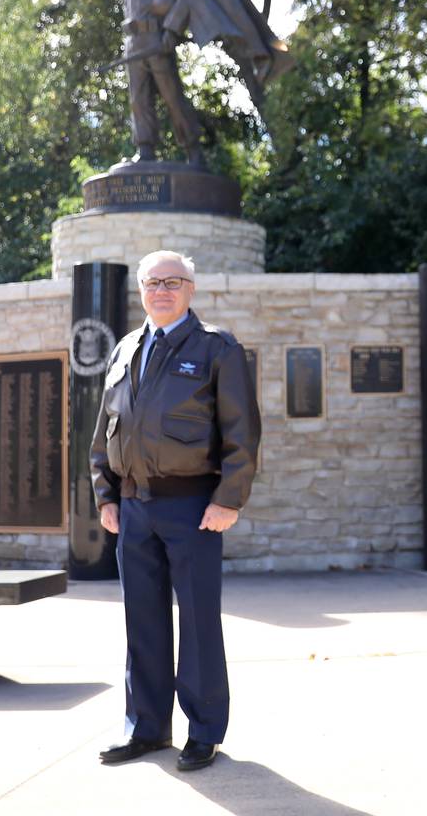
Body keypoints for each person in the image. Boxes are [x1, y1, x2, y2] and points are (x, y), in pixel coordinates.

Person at [90, 250, 260, 771]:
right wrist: (105, 494)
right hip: (135, 507)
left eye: (172, 281)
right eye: (152, 282)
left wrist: (228, 499)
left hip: (194, 506)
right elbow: (105, 431)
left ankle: (204, 730)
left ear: (191, 289)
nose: (161, 290)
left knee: (199, 623)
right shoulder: (124, 350)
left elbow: (242, 432)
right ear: (140, 290)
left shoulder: (216, 349)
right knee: (142, 622)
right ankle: (146, 728)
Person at [104, 0, 217, 166]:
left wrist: (171, 30)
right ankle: (145, 149)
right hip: (133, 46)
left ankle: (193, 151)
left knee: (172, 96)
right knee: (138, 99)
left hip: (156, 42)